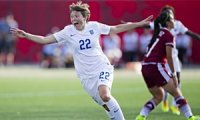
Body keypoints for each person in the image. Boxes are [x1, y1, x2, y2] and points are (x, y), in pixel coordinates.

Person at [10, 1, 152, 120]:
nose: (73, 19)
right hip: (85, 76)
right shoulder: (68, 31)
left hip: (101, 67)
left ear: (85, 17)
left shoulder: (94, 26)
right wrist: (26, 35)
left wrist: (138, 24)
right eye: (72, 16)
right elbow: (45, 40)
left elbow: (117, 28)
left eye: (77, 16)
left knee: (105, 95)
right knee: (104, 103)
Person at [135, 11, 200, 120]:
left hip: (145, 66)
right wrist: (174, 75)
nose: (175, 21)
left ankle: (141, 116)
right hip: (155, 66)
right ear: (168, 23)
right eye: (172, 19)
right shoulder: (169, 35)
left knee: (158, 96)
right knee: (176, 92)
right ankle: (191, 117)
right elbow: (169, 57)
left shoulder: (158, 33)